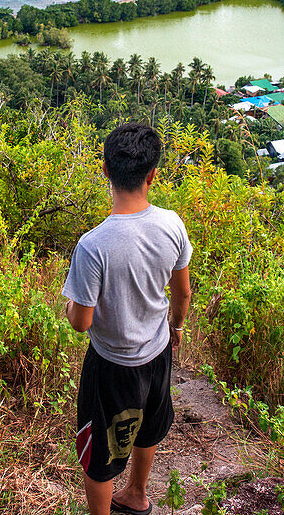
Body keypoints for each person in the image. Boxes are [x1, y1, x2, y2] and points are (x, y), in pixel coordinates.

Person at [62, 123, 192, 515]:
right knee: (150, 421)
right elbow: (182, 293)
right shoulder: (172, 224)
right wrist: (177, 328)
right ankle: (137, 494)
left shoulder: (93, 245)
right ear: (152, 174)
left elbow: (81, 322)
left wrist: (69, 304)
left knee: (100, 453)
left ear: (105, 170)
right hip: (158, 351)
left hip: (112, 366)